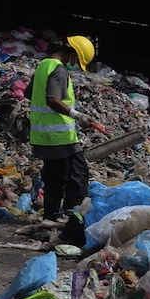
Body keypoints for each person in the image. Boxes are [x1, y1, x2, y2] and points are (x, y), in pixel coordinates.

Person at [27, 35, 104, 226]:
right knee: (78, 173)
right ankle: (72, 216)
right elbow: (52, 99)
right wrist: (77, 115)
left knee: (55, 177)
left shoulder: (44, 65)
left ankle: (51, 216)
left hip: (43, 133)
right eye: (77, 60)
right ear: (72, 54)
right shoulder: (59, 70)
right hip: (60, 135)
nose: (76, 64)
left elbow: (28, 93)